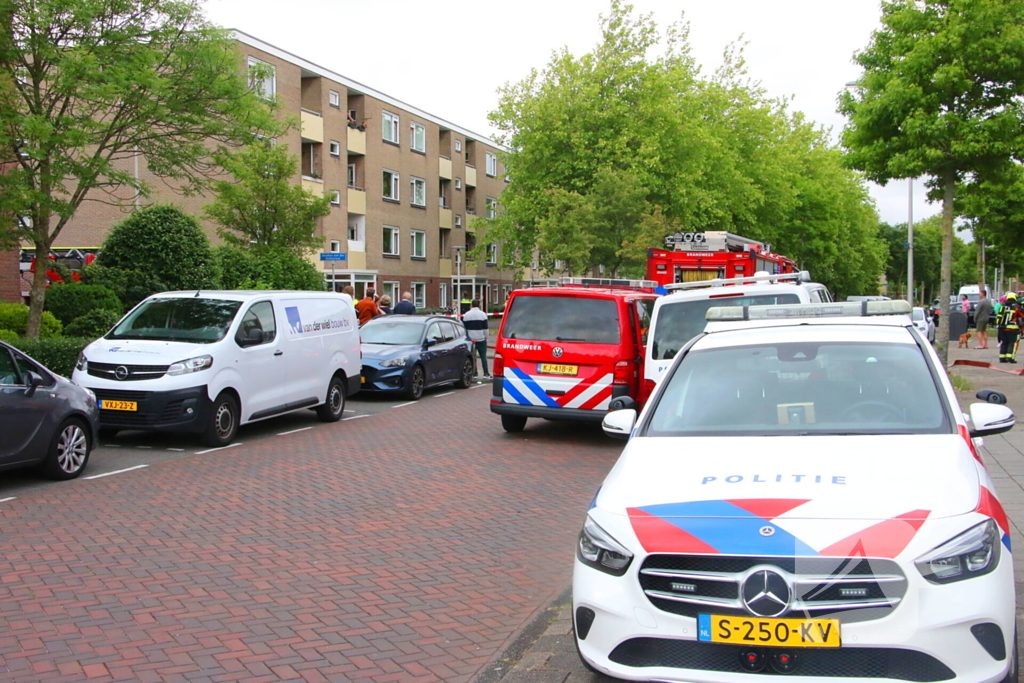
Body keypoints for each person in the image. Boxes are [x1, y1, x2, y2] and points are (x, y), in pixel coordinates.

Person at [463, 299, 490, 379]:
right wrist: (486, 337)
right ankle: (486, 374)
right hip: (481, 339)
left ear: (471, 305)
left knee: (473, 357)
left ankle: (474, 374)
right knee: (483, 357)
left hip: (471, 340)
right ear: (479, 305)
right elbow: (486, 328)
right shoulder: (483, 315)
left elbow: (465, 328)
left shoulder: (466, 315)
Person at [996, 292, 1021, 363]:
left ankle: (1002, 358)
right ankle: (1010, 357)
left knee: (1004, 342)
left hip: (1003, 329)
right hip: (1013, 329)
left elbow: (999, 318)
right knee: (1012, 343)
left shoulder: (1002, 307)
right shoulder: (1016, 308)